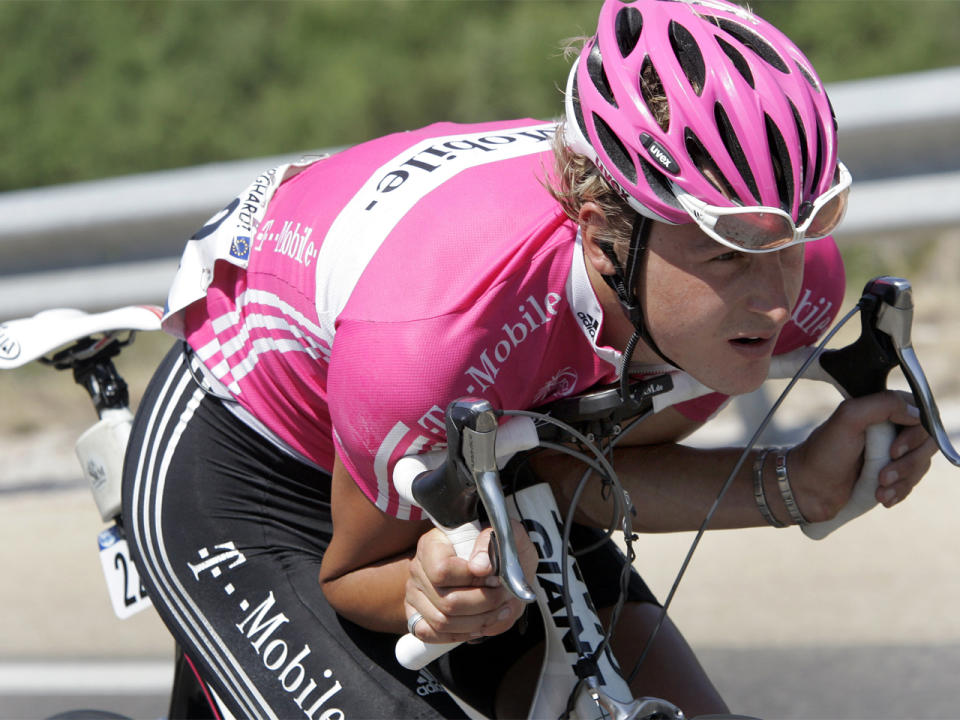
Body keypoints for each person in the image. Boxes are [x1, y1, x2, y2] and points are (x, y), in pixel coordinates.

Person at [123, 1, 936, 718]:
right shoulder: (438, 332)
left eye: (793, 237)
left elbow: (570, 473)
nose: (773, 295)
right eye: (728, 252)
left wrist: (793, 481)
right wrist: (424, 594)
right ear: (599, 231)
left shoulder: (798, 287)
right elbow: (355, 574)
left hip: (483, 435)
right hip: (255, 458)